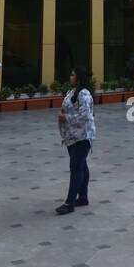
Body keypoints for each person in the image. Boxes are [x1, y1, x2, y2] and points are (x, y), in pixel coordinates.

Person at [55, 67, 95, 215]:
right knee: (81, 165)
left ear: (78, 78)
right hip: (72, 136)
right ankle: (83, 197)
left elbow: (86, 116)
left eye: (72, 74)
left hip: (82, 137)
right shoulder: (72, 92)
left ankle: (69, 202)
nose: (70, 77)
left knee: (76, 167)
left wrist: (66, 117)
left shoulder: (84, 93)